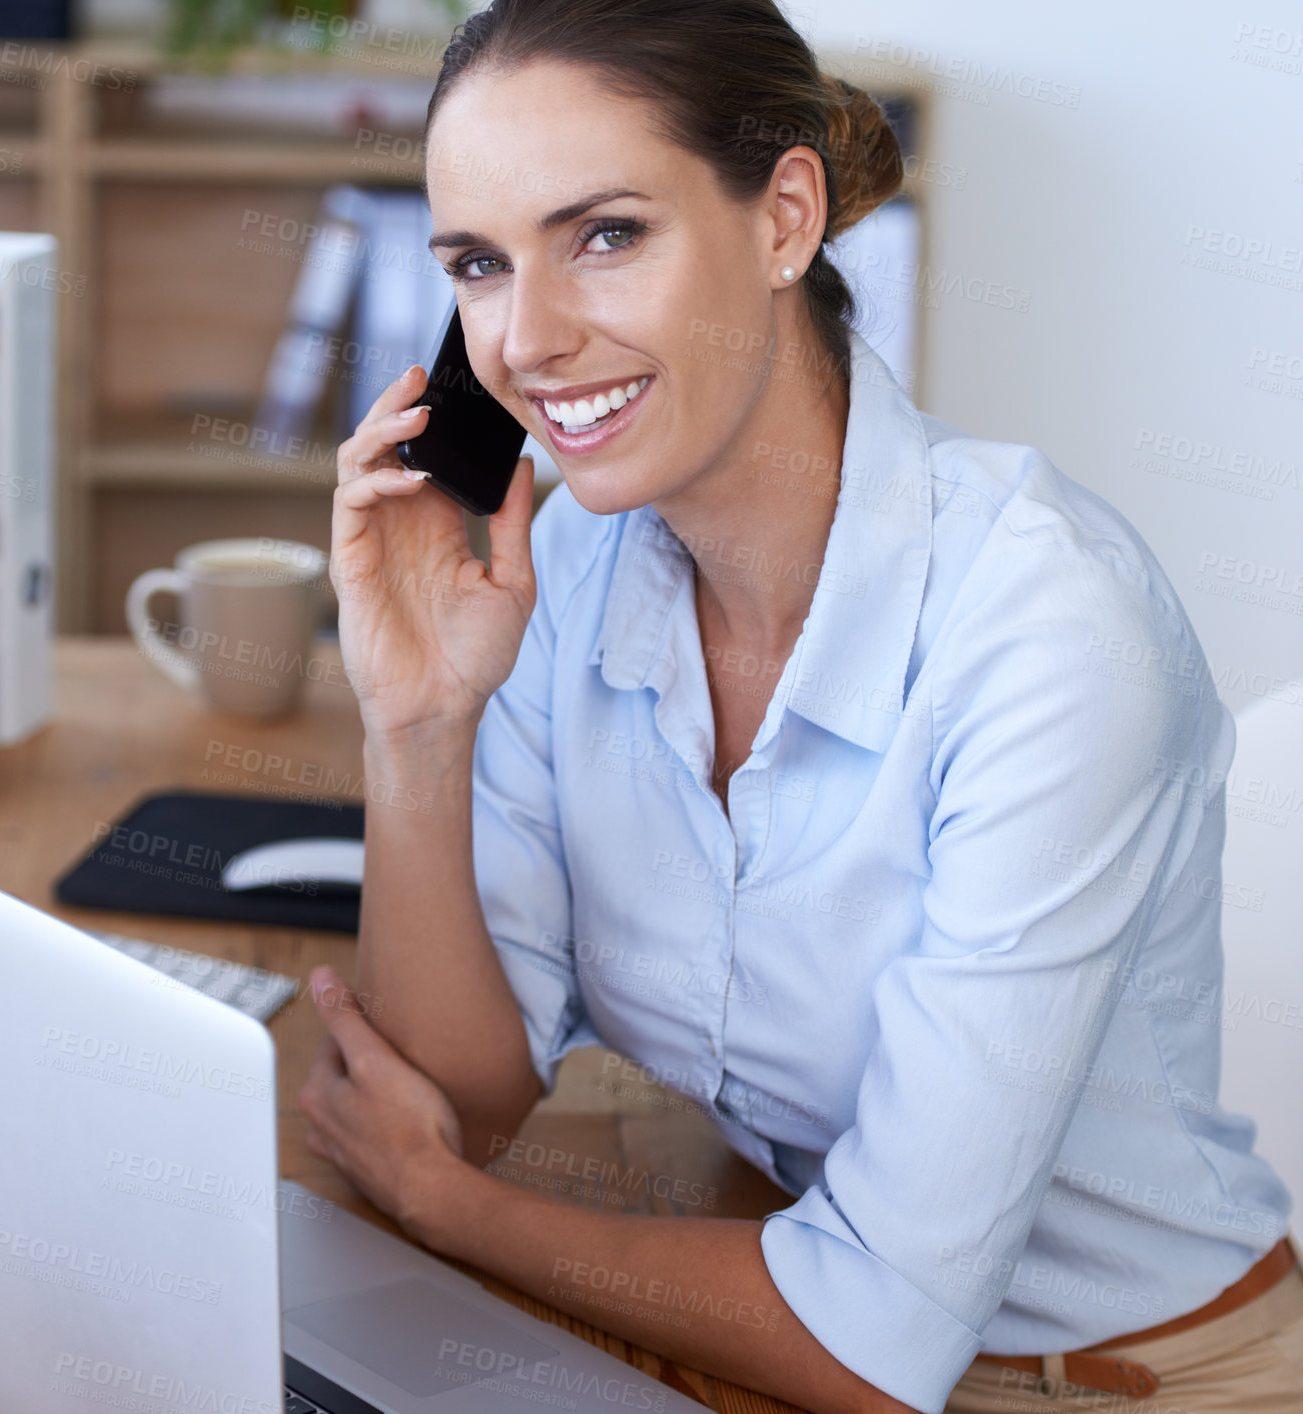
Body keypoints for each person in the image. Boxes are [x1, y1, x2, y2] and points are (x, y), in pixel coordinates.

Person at [296, 2, 1302, 1410]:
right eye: (477, 263)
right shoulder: (569, 570)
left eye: (604, 235)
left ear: (782, 220)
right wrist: (416, 723)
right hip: (764, 1322)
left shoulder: (1045, 630)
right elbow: (444, 1100)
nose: (523, 341)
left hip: (1139, 1380)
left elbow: (865, 1337)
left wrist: (449, 1209)